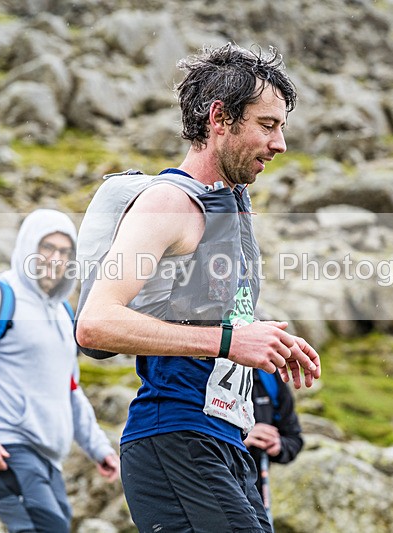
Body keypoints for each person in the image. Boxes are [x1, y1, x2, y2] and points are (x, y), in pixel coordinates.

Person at [75, 43, 321, 533]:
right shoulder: (168, 203)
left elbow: (201, 318)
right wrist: (231, 342)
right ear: (219, 119)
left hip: (229, 442)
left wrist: (259, 337)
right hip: (176, 439)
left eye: (282, 129)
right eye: (267, 125)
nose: (280, 144)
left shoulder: (228, 208)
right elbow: (95, 323)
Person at [0, 209, 119, 533]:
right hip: (3, 449)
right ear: (28, 247)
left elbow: (70, 390)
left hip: (46, 460)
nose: (55, 259)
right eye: (47, 247)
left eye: (64, 252)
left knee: (53, 525)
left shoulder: (62, 312)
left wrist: (98, 447)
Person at [245, 369, 304, 502]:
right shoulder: (211, 365)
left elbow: (294, 438)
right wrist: (238, 438)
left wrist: (279, 444)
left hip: (256, 494)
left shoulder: (268, 374)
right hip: (210, 485)